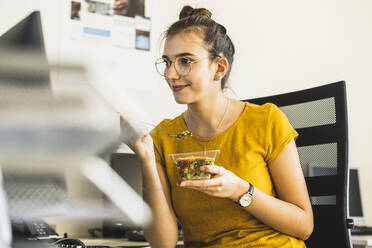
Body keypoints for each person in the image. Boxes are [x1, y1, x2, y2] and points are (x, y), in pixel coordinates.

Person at [122, 5, 313, 248]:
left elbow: (304, 226)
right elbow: (164, 244)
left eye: (185, 61)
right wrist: (146, 159)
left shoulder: (266, 121)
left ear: (219, 68)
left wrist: (240, 190)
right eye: (167, 62)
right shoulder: (162, 138)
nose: (171, 73)